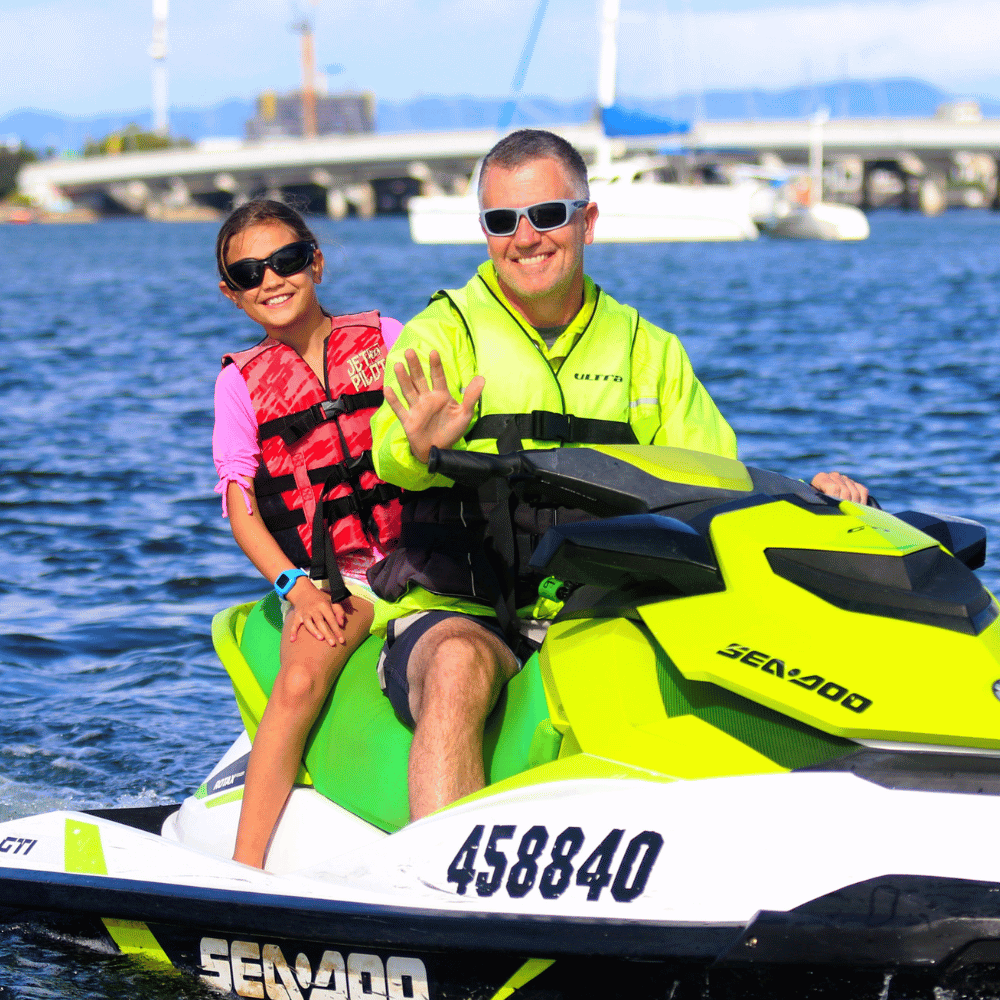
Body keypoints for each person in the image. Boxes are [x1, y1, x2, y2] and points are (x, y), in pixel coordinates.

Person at [367, 129, 867, 822]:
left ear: (587, 222)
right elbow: (389, 451)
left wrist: (809, 499)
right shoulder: (440, 336)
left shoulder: (649, 352)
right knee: (456, 665)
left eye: (546, 215)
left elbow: (716, 485)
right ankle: (443, 897)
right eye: (501, 220)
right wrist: (419, 451)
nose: (526, 237)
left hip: (595, 607)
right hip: (465, 605)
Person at [212, 199, 402, 867]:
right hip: (337, 578)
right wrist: (297, 589)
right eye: (249, 272)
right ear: (231, 293)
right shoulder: (240, 384)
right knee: (297, 682)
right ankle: (244, 868)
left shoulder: (386, 337)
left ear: (315, 262)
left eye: (287, 261)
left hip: (424, 560)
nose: (272, 279)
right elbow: (242, 508)